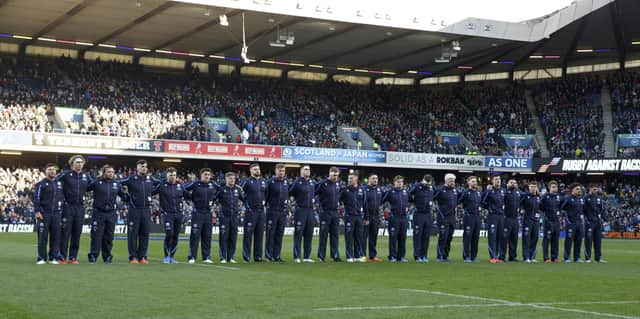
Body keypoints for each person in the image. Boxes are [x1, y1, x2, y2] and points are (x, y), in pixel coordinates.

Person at [120, 160, 160, 264]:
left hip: (146, 210)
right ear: (137, 168)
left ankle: (142, 257)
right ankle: (133, 257)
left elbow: (162, 184)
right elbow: (118, 183)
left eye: (146, 167)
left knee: (144, 234)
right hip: (134, 210)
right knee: (133, 234)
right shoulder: (131, 178)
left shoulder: (150, 179)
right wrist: (125, 195)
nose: (144, 168)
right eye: (142, 166)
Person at [57, 155, 94, 264]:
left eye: (81, 162)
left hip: (80, 207)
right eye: (77, 162)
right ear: (72, 163)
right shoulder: (66, 174)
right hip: (68, 206)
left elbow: (93, 185)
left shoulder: (86, 176)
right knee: (65, 233)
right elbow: (55, 182)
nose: (80, 164)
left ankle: (73, 257)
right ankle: (62, 257)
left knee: (77, 233)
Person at [87, 165, 127, 264]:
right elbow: (85, 188)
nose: (111, 174)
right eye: (109, 172)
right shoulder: (96, 183)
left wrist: (132, 195)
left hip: (111, 213)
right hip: (98, 212)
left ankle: (107, 256)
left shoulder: (117, 184)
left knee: (109, 236)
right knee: (96, 236)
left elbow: (124, 196)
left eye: (112, 172)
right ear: (104, 173)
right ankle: (93, 256)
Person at [184, 168, 218, 264]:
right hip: (197, 213)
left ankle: (206, 257)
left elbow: (221, 191)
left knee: (207, 236)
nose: (207, 176)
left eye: (208, 174)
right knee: (195, 236)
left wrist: (214, 200)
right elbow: (183, 189)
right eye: (205, 174)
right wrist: (190, 198)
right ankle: (192, 257)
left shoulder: (213, 184)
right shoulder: (195, 184)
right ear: (201, 175)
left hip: (208, 213)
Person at [152, 167, 185, 264]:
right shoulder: (162, 185)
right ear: (167, 176)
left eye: (174, 175)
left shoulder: (180, 186)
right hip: (167, 214)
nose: (173, 177)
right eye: (171, 175)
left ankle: (172, 257)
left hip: (178, 214)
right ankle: (166, 256)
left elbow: (187, 195)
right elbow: (151, 192)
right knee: (169, 234)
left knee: (175, 236)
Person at [33, 163, 64, 265]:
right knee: (43, 237)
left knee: (55, 237)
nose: (52, 171)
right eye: (49, 169)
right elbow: (36, 198)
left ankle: (53, 258)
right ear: (45, 171)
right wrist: (37, 211)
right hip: (44, 214)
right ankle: (41, 258)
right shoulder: (41, 184)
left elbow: (62, 198)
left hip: (56, 214)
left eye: (54, 170)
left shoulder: (59, 184)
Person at [289, 165, 316, 263]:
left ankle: (307, 257)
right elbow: (290, 192)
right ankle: (296, 256)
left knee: (309, 234)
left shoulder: (313, 182)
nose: (308, 171)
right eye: (305, 169)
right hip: (300, 210)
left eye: (309, 169)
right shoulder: (297, 182)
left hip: (310, 210)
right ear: (301, 171)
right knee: (298, 234)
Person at [216, 172, 245, 263]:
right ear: (226, 179)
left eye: (233, 178)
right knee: (224, 237)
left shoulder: (237, 189)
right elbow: (213, 198)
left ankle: (231, 257)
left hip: (234, 217)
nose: (232, 180)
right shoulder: (221, 189)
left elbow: (244, 199)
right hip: (224, 217)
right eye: (230, 178)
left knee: (233, 237)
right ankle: (223, 257)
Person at [240, 163, 267, 262]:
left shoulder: (263, 181)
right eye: (255, 169)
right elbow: (239, 192)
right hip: (251, 212)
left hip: (261, 212)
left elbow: (266, 194)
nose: (257, 171)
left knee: (259, 235)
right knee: (248, 235)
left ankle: (258, 256)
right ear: (251, 170)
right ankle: (246, 257)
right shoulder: (247, 181)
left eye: (258, 169)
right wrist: (246, 203)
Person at [316, 166, 342, 262]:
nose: (335, 177)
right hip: (325, 212)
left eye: (336, 175)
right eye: (333, 174)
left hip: (335, 212)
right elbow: (313, 192)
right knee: (323, 235)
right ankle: (321, 256)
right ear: (329, 173)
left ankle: (335, 255)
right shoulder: (322, 183)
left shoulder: (338, 184)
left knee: (335, 235)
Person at [381, 175, 409, 262]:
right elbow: (382, 200)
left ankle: (401, 256)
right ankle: (392, 256)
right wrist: (383, 211)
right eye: (398, 182)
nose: (400, 184)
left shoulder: (406, 192)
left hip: (404, 218)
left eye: (401, 182)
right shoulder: (390, 192)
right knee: (393, 238)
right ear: (394, 183)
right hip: (394, 217)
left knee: (403, 237)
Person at [340, 170, 366, 263]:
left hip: (359, 216)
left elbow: (365, 203)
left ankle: (357, 255)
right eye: (348, 178)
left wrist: (365, 216)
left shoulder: (361, 190)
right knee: (349, 237)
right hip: (349, 216)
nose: (349, 180)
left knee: (359, 237)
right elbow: (338, 201)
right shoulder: (344, 190)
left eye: (351, 178)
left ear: (356, 178)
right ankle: (349, 256)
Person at [265, 163, 289, 262]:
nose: (281, 172)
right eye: (279, 170)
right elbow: (266, 196)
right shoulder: (270, 182)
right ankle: (268, 255)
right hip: (272, 211)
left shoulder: (286, 182)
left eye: (283, 171)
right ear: (276, 171)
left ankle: (277, 256)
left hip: (282, 212)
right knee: (270, 234)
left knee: (279, 234)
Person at [408, 174, 434, 263]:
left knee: (426, 236)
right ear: (423, 180)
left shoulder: (431, 187)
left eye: (429, 183)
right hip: (418, 213)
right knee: (418, 235)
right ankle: (417, 256)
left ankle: (424, 255)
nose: (427, 185)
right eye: (426, 183)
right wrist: (413, 202)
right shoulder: (416, 186)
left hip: (428, 214)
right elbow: (409, 194)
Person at [434, 173, 458, 262]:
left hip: (452, 218)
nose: (452, 182)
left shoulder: (455, 191)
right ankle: (439, 256)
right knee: (443, 237)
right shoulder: (440, 190)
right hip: (443, 217)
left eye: (453, 181)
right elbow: (432, 197)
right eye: (451, 181)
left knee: (449, 237)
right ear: (446, 181)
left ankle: (445, 255)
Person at [458, 176, 482, 263]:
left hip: (477, 217)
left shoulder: (478, 193)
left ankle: (474, 256)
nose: (474, 183)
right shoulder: (465, 192)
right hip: (469, 217)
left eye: (475, 181)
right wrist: (464, 208)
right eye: (472, 181)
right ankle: (466, 256)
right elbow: (458, 201)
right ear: (468, 183)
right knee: (467, 237)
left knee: (476, 238)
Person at [482, 175, 505, 263]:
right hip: (493, 216)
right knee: (492, 237)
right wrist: (489, 209)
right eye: (496, 179)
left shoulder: (503, 191)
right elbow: (482, 201)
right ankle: (493, 257)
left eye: (499, 179)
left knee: (500, 237)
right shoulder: (489, 191)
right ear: (492, 181)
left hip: (501, 216)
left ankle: (498, 257)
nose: (498, 180)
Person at [561, 183, 585, 263]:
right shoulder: (568, 199)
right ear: (572, 190)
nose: (579, 190)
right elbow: (562, 208)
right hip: (571, 223)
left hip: (580, 223)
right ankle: (567, 257)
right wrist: (565, 219)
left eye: (580, 189)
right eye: (577, 189)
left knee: (578, 241)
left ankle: (577, 257)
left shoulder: (581, 199)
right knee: (569, 241)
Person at [583, 184, 607, 263]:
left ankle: (598, 258)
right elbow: (583, 210)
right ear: (590, 189)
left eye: (596, 189)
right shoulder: (586, 198)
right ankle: (588, 258)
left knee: (598, 240)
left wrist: (605, 219)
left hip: (597, 222)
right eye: (594, 189)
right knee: (588, 240)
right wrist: (586, 219)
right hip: (589, 222)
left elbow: (602, 210)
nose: (595, 191)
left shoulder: (599, 198)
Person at [363, 173, 383, 262]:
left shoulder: (379, 190)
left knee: (373, 237)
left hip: (376, 216)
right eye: (373, 178)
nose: (375, 180)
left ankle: (372, 256)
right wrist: (365, 216)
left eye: (376, 178)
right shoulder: (364, 189)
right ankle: (362, 255)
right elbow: (363, 204)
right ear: (369, 179)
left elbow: (382, 201)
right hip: (366, 217)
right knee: (363, 237)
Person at [520, 181, 541, 263]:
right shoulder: (525, 196)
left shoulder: (538, 197)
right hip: (527, 220)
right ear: (529, 188)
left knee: (535, 238)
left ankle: (532, 257)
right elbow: (520, 203)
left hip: (536, 221)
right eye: (531, 186)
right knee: (526, 239)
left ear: (536, 188)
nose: (533, 188)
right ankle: (526, 257)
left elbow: (542, 207)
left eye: (534, 186)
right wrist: (521, 209)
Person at [541, 180, 561, 263]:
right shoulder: (545, 197)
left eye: (556, 187)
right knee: (547, 239)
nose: (555, 189)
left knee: (555, 240)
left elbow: (560, 207)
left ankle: (554, 257)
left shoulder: (558, 197)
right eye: (553, 187)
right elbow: (541, 207)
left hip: (556, 221)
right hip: (548, 221)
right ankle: (546, 258)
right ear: (549, 188)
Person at [503, 178, 521, 262]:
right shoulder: (505, 192)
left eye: (514, 182)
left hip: (515, 218)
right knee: (504, 238)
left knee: (514, 238)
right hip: (507, 218)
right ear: (507, 184)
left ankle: (512, 256)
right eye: (511, 182)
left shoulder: (518, 193)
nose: (513, 184)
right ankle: (502, 256)